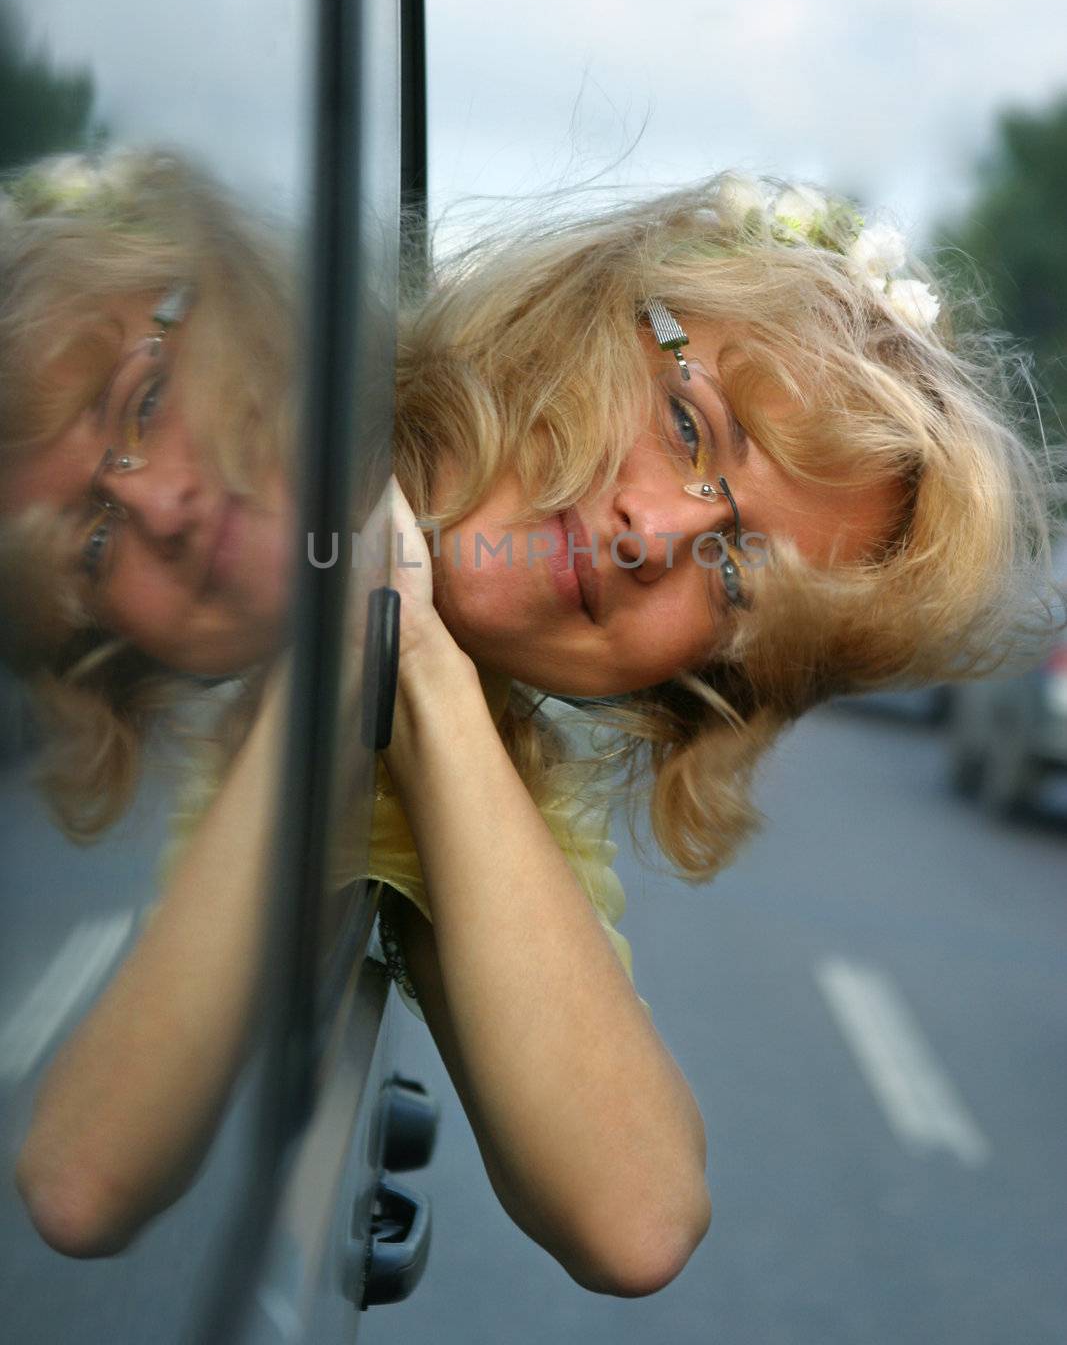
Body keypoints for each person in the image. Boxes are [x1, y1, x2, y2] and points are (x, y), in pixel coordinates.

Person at [0, 150, 1057, 1289]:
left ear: (689, 689)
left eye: (735, 579)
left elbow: (635, 1219)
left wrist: (407, 666)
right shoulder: (251, 375)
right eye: (690, 425)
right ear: (583, 313)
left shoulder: (456, 741)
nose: (653, 533)